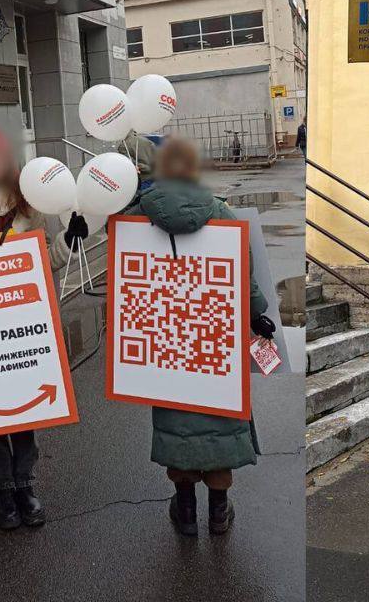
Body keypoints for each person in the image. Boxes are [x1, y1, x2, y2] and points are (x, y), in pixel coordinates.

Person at [124, 137, 277, 536]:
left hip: (165, 343)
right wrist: (257, 315)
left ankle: (186, 510)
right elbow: (244, 274)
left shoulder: (137, 217)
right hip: (215, 341)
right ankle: (219, 510)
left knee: (179, 420)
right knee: (220, 417)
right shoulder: (222, 213)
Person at [0, 126, 90, 531]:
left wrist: (68, 241)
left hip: (25, 325)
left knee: (25, 411)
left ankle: (26, 487)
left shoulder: (30, 208)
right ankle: (3, 491)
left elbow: (48, 260)